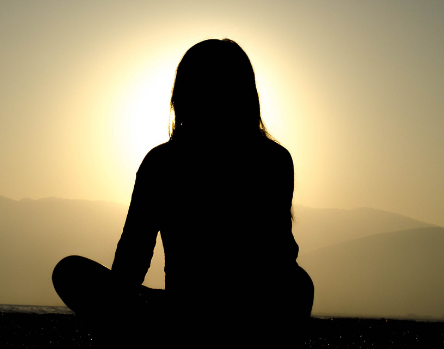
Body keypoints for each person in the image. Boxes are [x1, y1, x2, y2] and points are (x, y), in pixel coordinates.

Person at [53, 39, 314, 348]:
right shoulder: (273, 158)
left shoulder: (162, 162)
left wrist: (119, 308)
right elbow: (279, 255)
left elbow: (132, 260)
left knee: (70, 272)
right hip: (247, 312)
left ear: (182, 94)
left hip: (196, 314)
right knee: (296, 284)